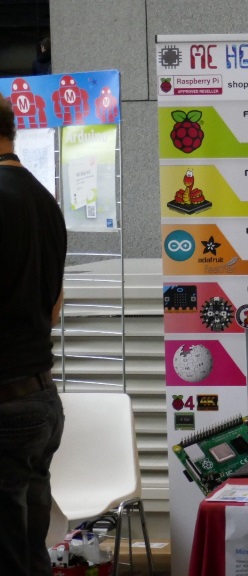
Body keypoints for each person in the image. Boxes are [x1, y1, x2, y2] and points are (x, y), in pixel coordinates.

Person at [0, 97, 67, 576]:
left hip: (5, 401)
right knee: (30, 551)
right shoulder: (45, 200)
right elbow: (55, 308)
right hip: (40, 398)